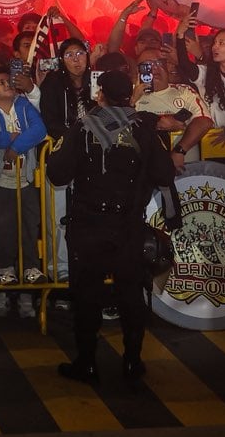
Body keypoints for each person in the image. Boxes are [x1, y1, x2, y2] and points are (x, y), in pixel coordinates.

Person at [45, 71, 175, 388]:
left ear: (100, 93)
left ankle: (87, 363)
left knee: (87, 296)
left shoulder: (82, 126)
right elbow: (164, 172)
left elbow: (58, 174)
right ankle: (132, 361)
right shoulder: (145, 129)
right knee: (131, 294)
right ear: (130, 93)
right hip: (128, 225)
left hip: (89, 224)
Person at [0, 61, 49, 318]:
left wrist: (16, 146)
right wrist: (8, 139)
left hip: (25, 179)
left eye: (8, 81)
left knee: (29, 223)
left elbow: (39, 130)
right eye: (0, 82)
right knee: (3, 227)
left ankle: (30, 269)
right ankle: (4, 270)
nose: (7, 84)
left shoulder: (24, 106)